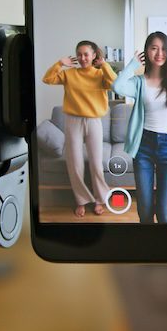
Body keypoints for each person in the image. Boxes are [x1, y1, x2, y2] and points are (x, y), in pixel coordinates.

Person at [113, 32, 167, 223]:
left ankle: (166, 249)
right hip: (144, 146)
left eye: (163, 49)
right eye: (153, 48)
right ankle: (148, 247)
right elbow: (117, 86)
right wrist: (133, 65)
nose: (159, 53)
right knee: (144, 210)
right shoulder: (138, 83)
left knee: (165, 212)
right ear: (146, 52)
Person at [43, 40, 116, 217]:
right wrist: (60, 63)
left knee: (96, 163)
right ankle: (81, 200)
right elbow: (47, 79)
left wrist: (105, 65)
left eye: (86, 54)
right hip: (73, 121)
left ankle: (100, 199)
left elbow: (115, 83)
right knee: (75, 164)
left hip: (94, 122)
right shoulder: (69, 74)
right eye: (79, 54)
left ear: (93, 56)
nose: (82, 58)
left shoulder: (100, 74)